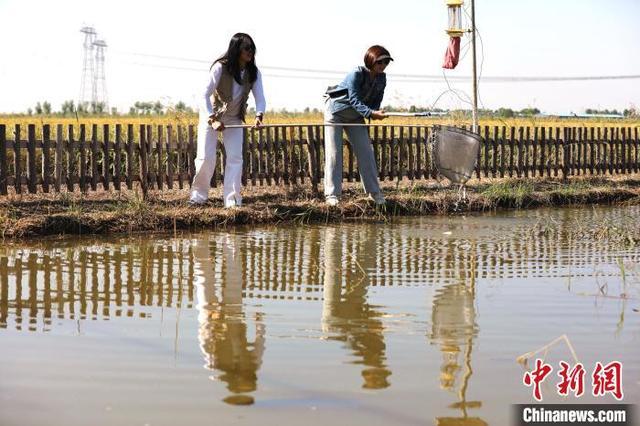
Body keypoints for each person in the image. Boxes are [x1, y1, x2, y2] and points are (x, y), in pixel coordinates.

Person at [190, 33, 266, 207]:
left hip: (234, 118)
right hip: (212, 116)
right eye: (247, 48)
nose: (250, 51)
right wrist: (212, 119)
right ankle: (198, 198)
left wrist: (258, 116)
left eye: (252, 48)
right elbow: (203, 95)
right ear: (236, 49)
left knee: (235, 158)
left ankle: (232, 200)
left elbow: (260, 97)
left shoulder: (253, 72)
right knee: (206, 158)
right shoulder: (220, 67)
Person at [323, 45, 392, 206]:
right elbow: (354, 99)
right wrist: (369, 113)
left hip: (356, 116)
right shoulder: (356, 74)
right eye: (380, 62)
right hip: (336, 113)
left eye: (386, 63)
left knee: (366, 152)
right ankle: (332, 195)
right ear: (371, 61)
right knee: (334, 153)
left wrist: (376, 112)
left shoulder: (382, 78)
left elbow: (375, 101)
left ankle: (374, 193)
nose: (383, 66)